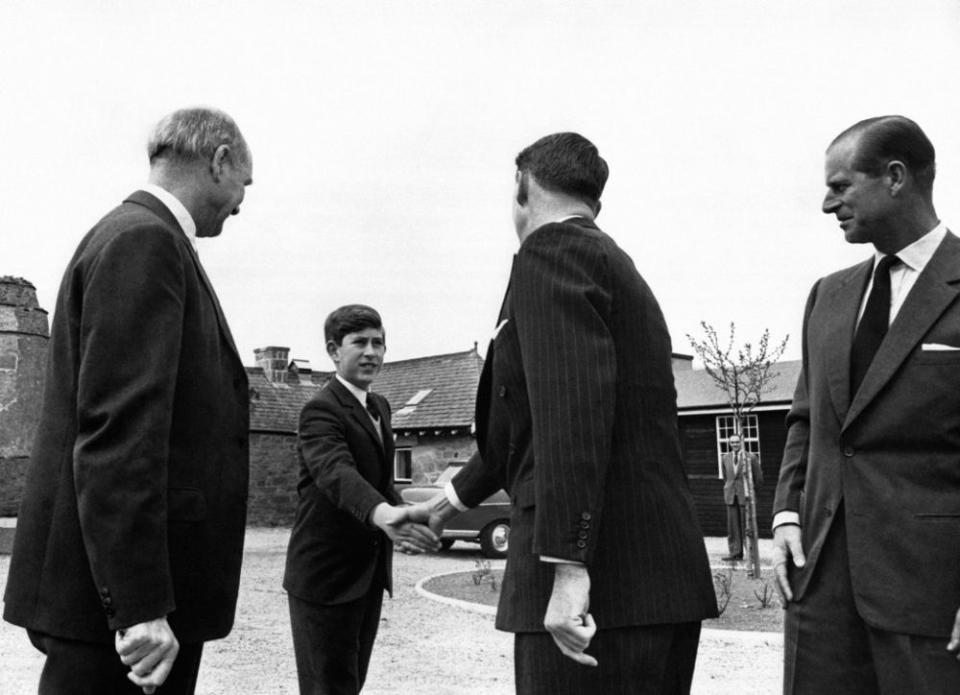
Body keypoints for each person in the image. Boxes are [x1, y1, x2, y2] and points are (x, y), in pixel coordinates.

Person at [425, 133, 717, 694]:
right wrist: (447, 503)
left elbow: (572, 414)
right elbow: (530, 422)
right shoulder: (616, 264)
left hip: (600, 589)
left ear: (522, 187)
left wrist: (567, 566)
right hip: (655, 581)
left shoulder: (550, 253)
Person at [2, 107, 253, 694]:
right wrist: (140, 607)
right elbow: (119, 434)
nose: (242, 201)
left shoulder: (136, 235)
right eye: (245, 181)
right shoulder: (146, 241)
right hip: (123, 627)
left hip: (120, 615)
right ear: (218, 161)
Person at [773, 115, 960, 693]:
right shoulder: (827, 296)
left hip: (928, 593)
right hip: (819, 592)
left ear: (896, 177)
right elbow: (808, 418)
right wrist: (784, 514)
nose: (828, 204)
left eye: (841, 185)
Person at [283, 305, 439, 695]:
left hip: (366, 576)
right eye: (360, 343)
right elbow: (335, 473)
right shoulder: (319, 409)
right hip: (325, 578)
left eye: (379, 343)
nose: (371, 352)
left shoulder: (380, 406)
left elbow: (380, 481)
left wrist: (410, 518)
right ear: (334, 351)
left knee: (350, 683)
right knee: (328, 688)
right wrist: (385, 514)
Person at [720, 433, 762, 562]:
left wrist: (751, 493)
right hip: (731, 495)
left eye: (737, 442)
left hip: (746, 496)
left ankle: (751, 555)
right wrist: (730, 489)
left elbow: (758, 479)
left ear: (741, 442)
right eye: (732, 442)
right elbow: (727, 478)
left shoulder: (751, 458)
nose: (735, 445)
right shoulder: (725, 458)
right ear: (729, 444)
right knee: (733, 526)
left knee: (748, 526)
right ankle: (735, 553)